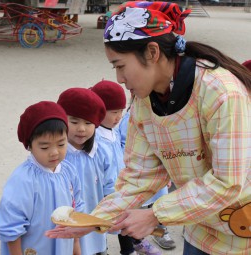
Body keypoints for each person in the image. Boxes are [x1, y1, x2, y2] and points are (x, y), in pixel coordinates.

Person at [46, 2, 251, 255]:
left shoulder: (221, 92)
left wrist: (154, 214)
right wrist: (93, 220)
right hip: (199, 227)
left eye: (120, 66)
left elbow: (227, 183)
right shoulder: (144, 100)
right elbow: (139, 175)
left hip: (243, 232)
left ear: (152, 52)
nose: (119, 79)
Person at [0, 101, 84, 255]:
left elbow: (76, 210)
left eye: (61, 144)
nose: (54, 152)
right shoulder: (23, 179)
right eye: (44, 147)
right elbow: (11, 226)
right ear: (29, 145)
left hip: (64, 246)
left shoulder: (69, 171)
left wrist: (76, 245)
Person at [91, 80, 162, 255]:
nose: (118, 117)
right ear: (99, 111)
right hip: (106, 191)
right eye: (114, 112)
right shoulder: (96, 139)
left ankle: (130, 248)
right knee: (106, 223)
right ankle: (105, 250)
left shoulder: (112, 131)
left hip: (121, 186)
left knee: (125, 219)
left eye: (121, 111)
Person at [57, 88, 117, 255]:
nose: (81, 129)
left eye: (88, 123)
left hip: (94, 223)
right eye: (74, 122)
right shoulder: (56, 155)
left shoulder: (103, 151)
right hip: (65, 224)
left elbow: (110, 187)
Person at [118, 95, 176, 252]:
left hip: (158, 170)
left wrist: (168, 172)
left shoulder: (161, 116)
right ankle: (140, 237)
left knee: (161, 201)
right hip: (140, 171)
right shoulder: (128, 120)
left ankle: (161, 231)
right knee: (139, 204)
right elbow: (123, 145)